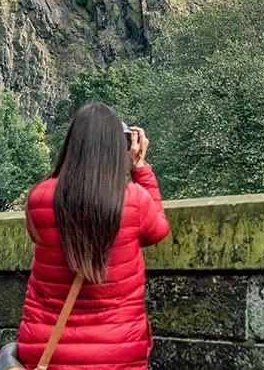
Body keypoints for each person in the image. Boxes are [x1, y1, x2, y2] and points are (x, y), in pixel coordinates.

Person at [16, 101, 170, 369]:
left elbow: (37, 234)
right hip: (116, 352)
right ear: (117, 147)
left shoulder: (39, 197)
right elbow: (157, 231)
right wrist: (141, 168)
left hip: (46, 350)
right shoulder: (132, 200)